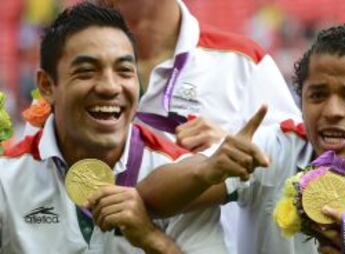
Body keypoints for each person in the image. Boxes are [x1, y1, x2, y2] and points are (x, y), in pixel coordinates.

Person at [92, 24, 345, 253]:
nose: (331, 111)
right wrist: (209, 169)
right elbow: (147, 199)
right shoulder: (276, 148)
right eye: (316, 95)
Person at [0, 2, 212, 253]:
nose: (110, 87)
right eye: (87, 71)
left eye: (124, 71)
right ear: (47, 86)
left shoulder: (184, 177)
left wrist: (150, 238)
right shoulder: (6, 179)